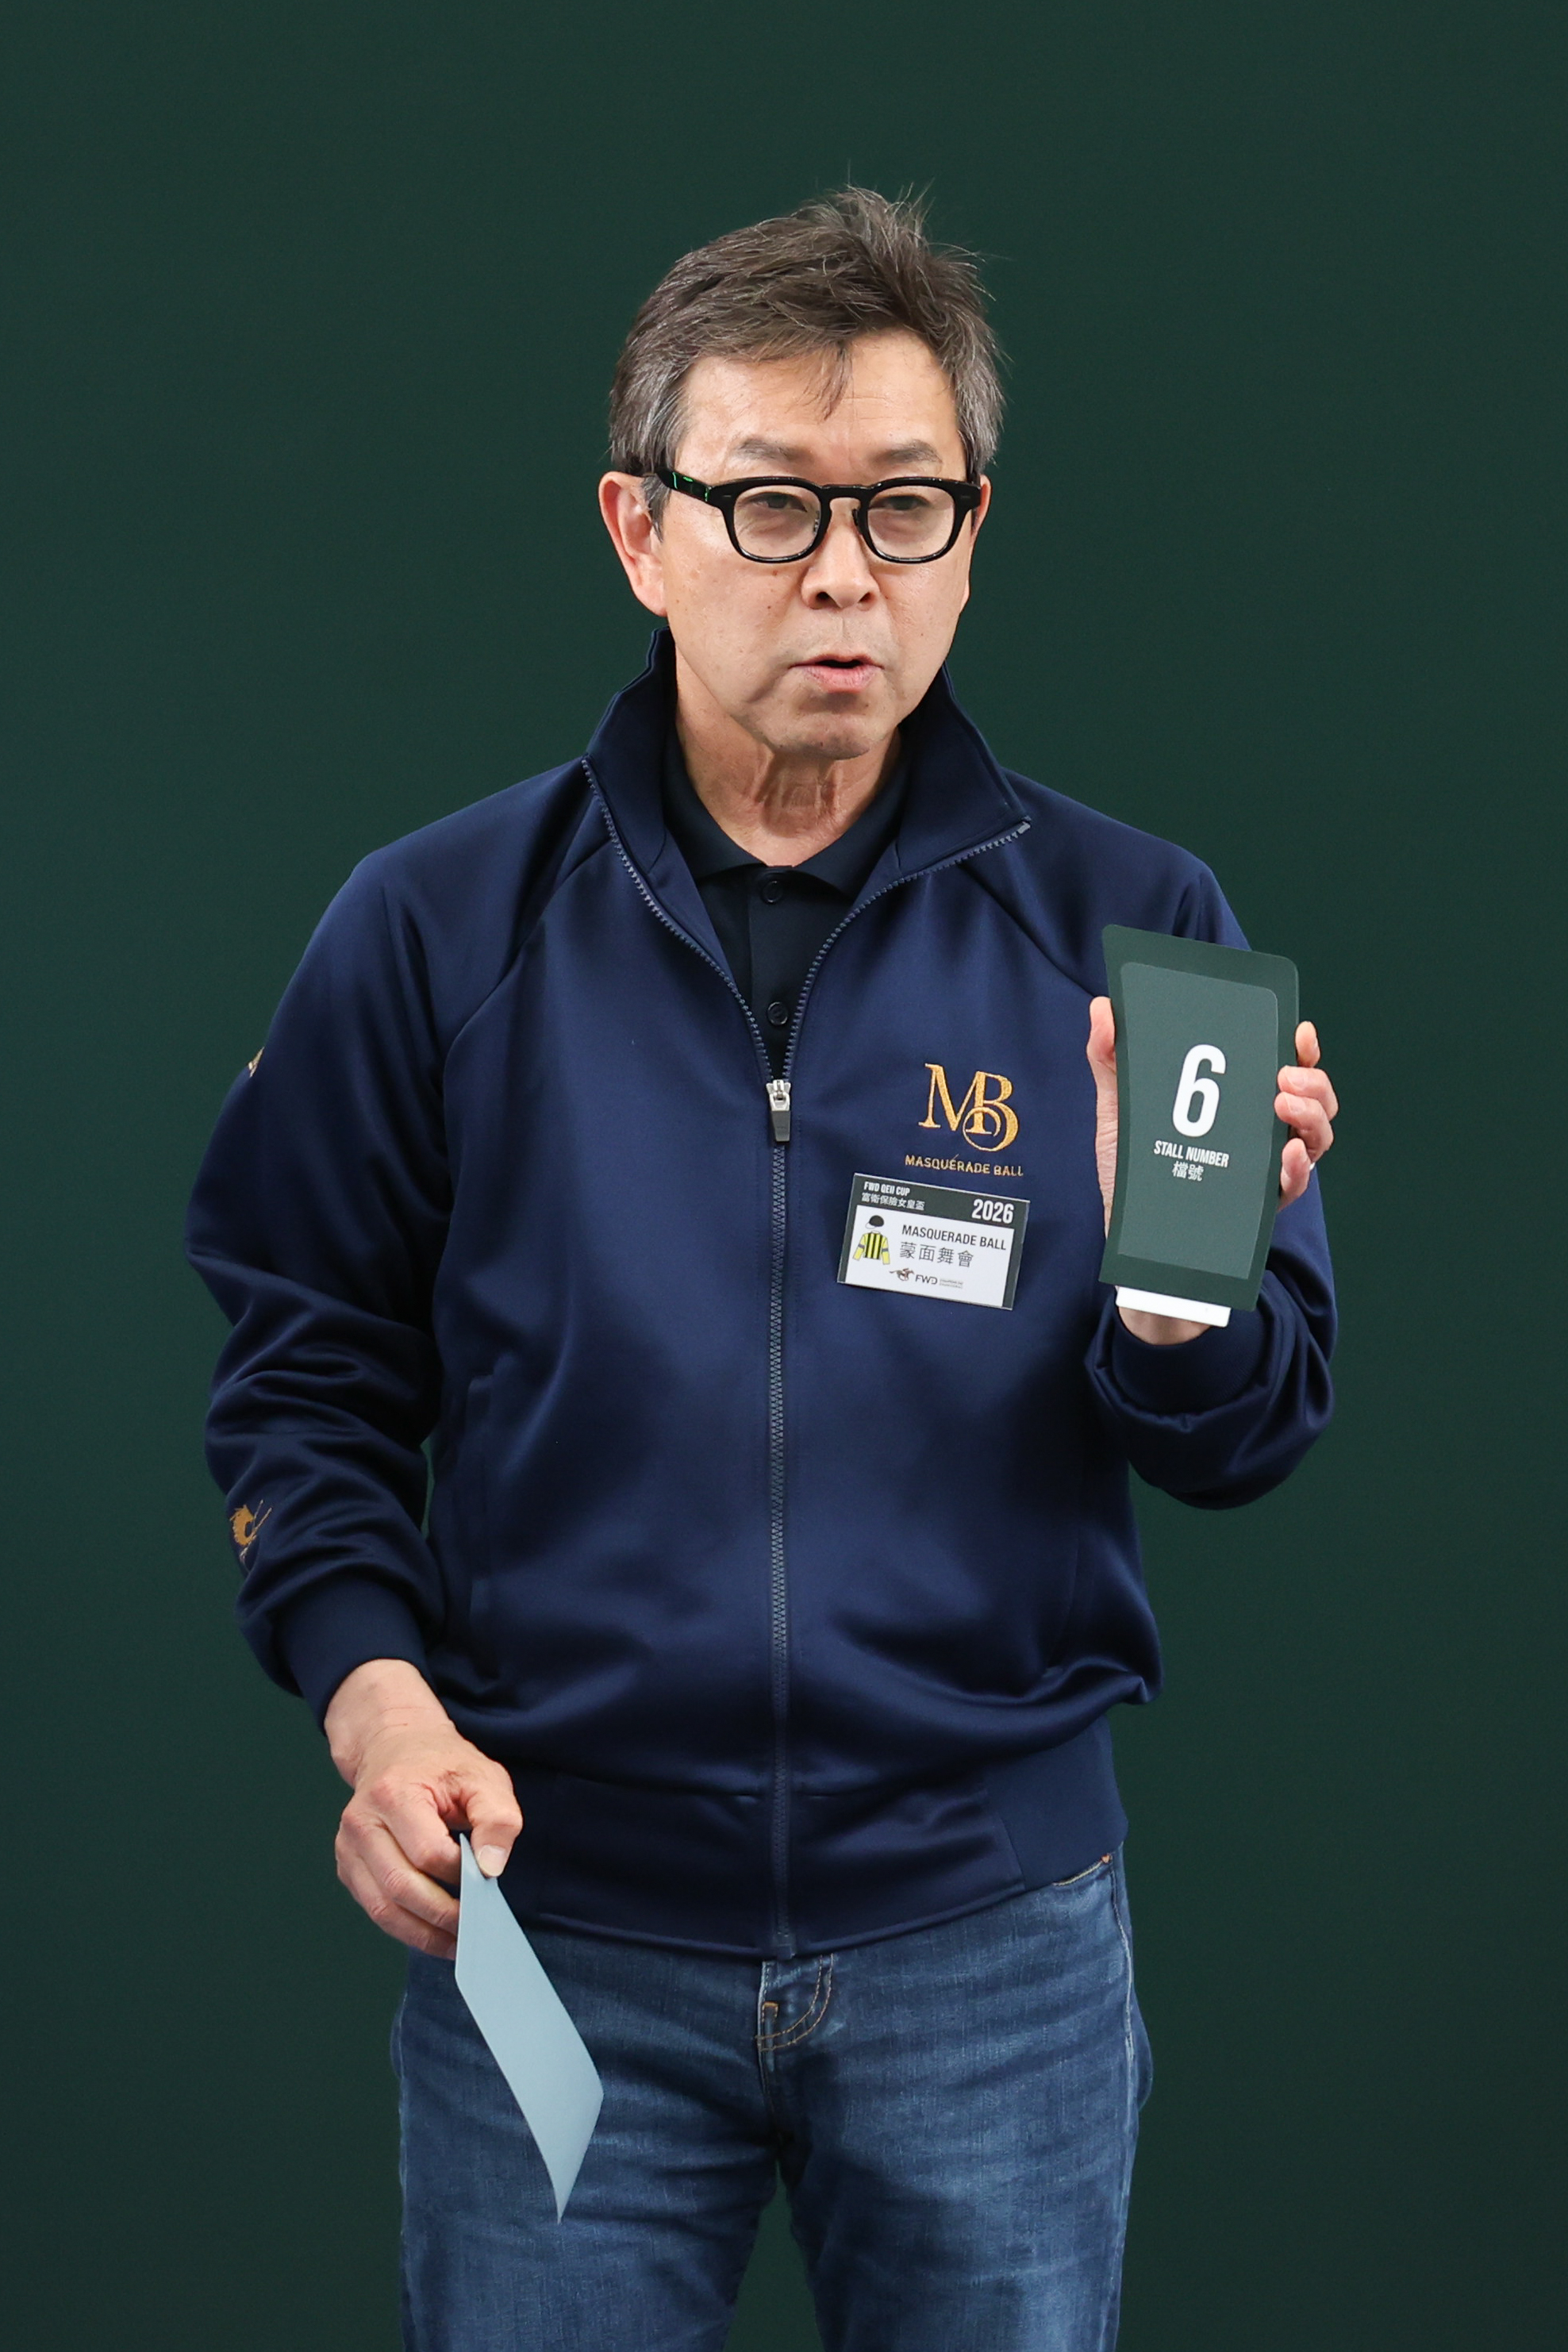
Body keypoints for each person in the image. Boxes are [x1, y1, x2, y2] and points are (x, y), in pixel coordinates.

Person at [187, 188, 1337, 2352]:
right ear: (639, 530)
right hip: (562, 1932)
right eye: (772, 504)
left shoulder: (1138, 935)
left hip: (993, 1945)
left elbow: (1247, 1426)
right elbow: (305, 1379)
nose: (842, 572)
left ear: (971, 538)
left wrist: (1172, 1292)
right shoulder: (433, 933)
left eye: (905, 507)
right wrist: (377, 1704)